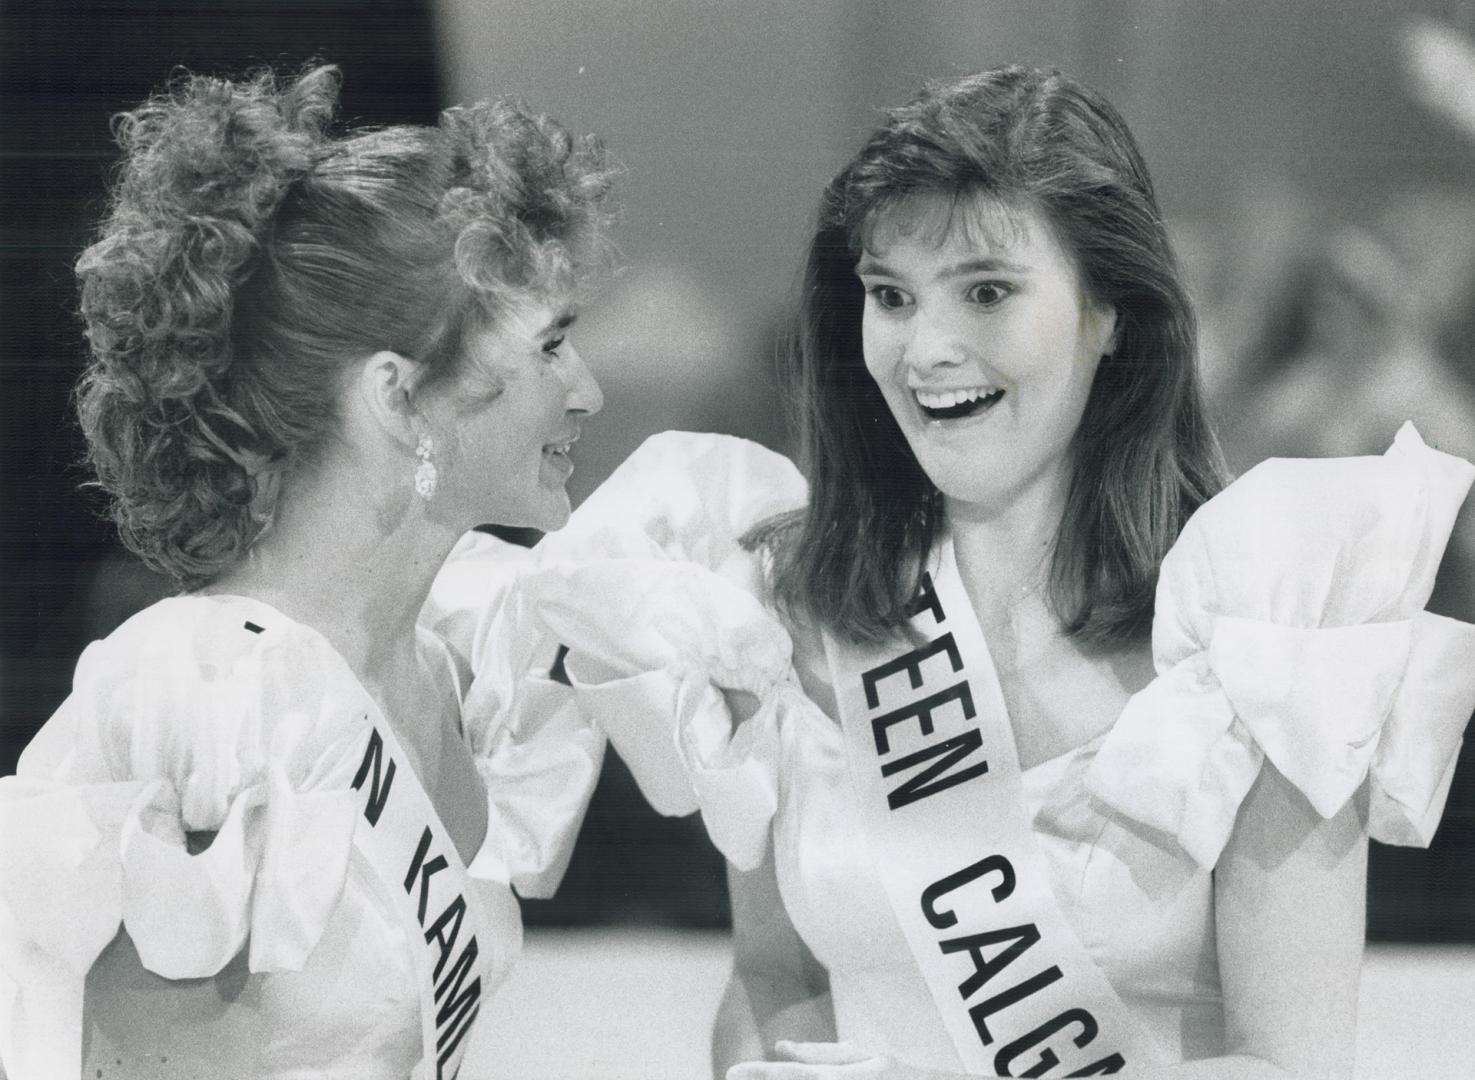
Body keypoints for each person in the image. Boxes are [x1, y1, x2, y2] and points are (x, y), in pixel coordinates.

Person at [506, 66, 1475, 1078]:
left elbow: (1290, 1066)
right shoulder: (779, 616)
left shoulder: (1268, 629)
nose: (925, 349)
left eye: (984, 291)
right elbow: (772, 982)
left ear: (1111, 313)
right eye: (890, 296)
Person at [0, 64, 613, 1079]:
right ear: (400, 399)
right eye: (549, 346)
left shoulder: (441, 665)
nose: (585, 390)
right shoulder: (207, 696)